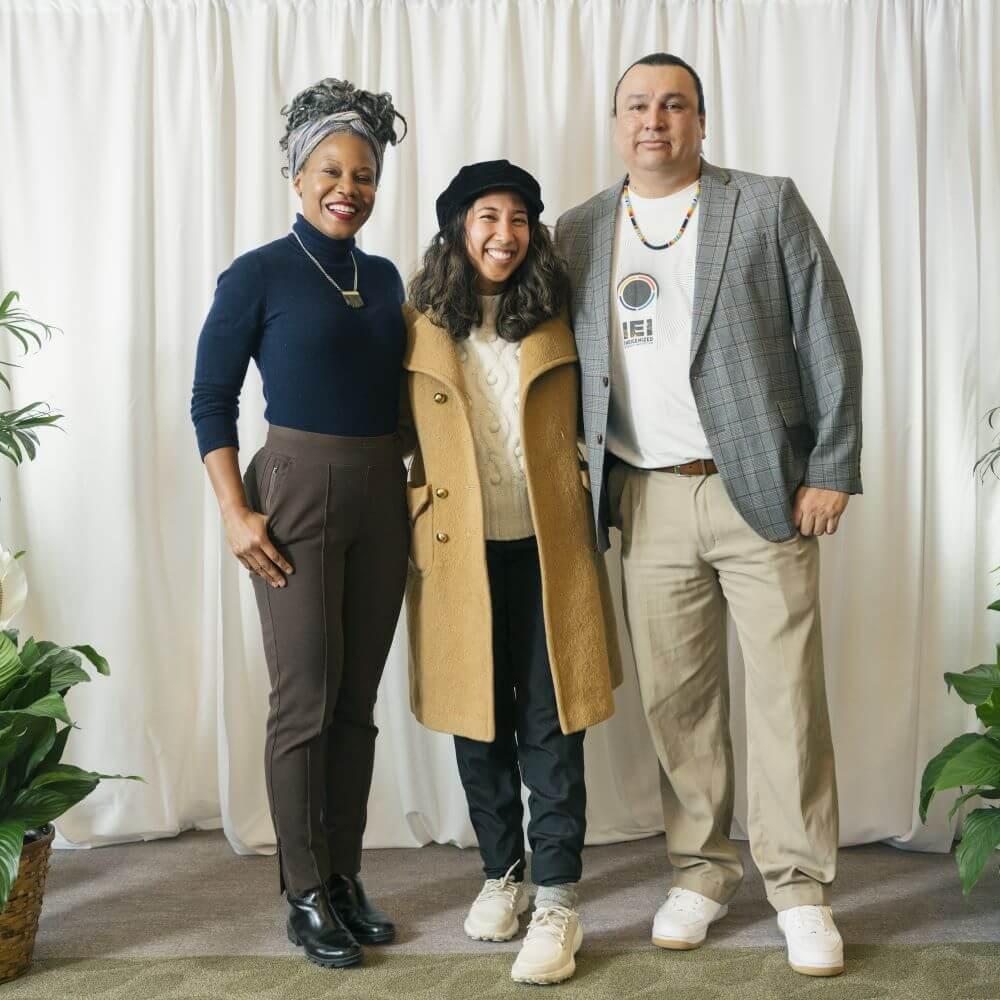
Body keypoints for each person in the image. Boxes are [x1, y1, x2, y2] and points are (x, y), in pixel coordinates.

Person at [555, 53, 862, 978]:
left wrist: (832, 466)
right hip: (641, 495)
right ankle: (699, 869)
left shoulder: (764, 205)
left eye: (674, 105)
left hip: (760, 486)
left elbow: (828, 333)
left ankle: (800, 888)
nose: (656, 120)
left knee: (785, 698)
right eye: (639, 106)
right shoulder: (579, 230)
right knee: (676, 701)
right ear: (616, 123)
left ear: (700, 120)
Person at [190, 78, 408, 970]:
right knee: (304, 703)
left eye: (362, 173)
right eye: (329, 169)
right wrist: (237, 509)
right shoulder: (258, 274)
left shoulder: (388, 276)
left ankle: (346, 878)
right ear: (296, 174)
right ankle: (305, 890)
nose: (346, 187)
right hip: (292, 487)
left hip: (380, 491)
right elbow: (211, 398)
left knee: (356, 705)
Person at [403, 160, 622, 985]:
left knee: (554, 724)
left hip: (547, 545)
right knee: (478, 721)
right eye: (487, 217)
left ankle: (559, 896)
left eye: (519, 218)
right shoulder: (416, 324)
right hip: (457, 552)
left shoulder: (561, 317)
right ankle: (503, 873)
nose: (504, 234)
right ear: (458, 226)